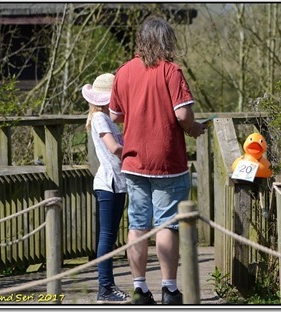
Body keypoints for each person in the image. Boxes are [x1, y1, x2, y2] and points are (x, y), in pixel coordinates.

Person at [109, 16, 207, 305]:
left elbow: (114, 115)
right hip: (167, 159)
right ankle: (169, 289)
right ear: (166, 41)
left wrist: (137, 112)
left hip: (134, 160)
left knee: (137, 225)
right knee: (167, 224)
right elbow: (183, 115)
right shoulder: (170, 71)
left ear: (141, 41)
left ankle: (139, 288)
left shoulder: (124, 72)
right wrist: (194, 129)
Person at [82, 73, 131, 304]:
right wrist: (137, 154)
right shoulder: (100, 118)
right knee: (107, 236)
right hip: (109, 183)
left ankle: (107, 287)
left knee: (109, 236)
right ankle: (105, 288)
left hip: (117, 182)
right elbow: (113, 148)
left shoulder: (106, 117)